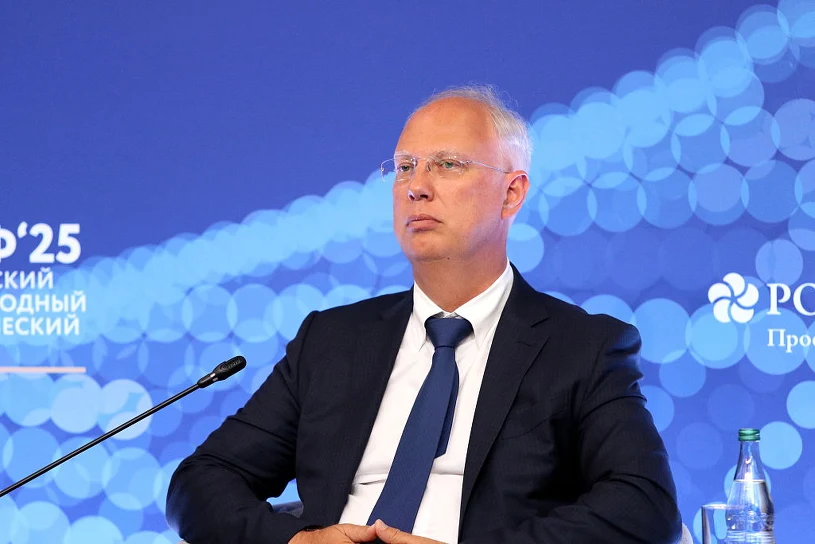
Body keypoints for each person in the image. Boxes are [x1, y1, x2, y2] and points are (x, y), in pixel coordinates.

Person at [166, 85, 682, 544]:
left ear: (512, 193)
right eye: (405, 167)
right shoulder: (332, 341)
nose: (417, 186)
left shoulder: (582, 347)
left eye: (448, 164)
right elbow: (202, 481)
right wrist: (297, 541)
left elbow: (644, 506)